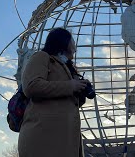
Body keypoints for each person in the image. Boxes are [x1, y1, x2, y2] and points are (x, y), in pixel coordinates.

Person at [18, 28, 92, 157]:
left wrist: (80, 92)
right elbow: (31, 86)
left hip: (65, 138)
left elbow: (65, 102)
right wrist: (71, 86)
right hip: (44, 138)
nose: (75, 47)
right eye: (73, 41)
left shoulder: (69, 68)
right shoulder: (41, 57)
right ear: (64, 42)